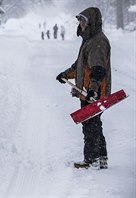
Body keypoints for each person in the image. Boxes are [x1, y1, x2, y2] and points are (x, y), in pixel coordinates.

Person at [56, 7, 111, 169]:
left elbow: (97, 69)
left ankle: (92, 159)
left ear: (92, 22)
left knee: (91, 125)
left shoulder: (98, 41)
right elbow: (80, 66)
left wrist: (93, 90)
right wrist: (65, 74)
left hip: (93, 92)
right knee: (92, 124)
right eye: (80, 21)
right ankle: (101, 158)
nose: (80, 24)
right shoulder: (89, 40)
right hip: (87, 91)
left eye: (83, 21)